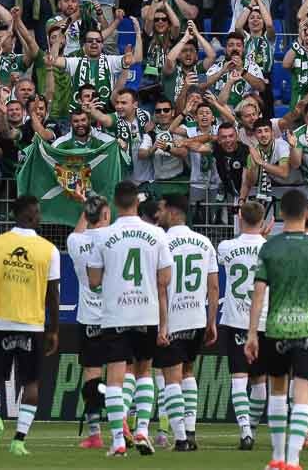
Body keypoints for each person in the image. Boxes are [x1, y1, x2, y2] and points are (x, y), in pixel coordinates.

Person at [246, 188, 308, 470]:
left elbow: (259, 293)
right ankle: (293, 460)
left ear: (279, 214)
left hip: (275, 329)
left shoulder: (270, 246)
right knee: (302, 394)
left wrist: (252, 333)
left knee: (277, 391)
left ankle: (276, 459)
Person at [86, 180, 173, 457]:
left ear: (114, 202)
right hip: (146, 312)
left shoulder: (101, 236)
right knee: (144, 372)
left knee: (115, 377)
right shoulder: (157, 234)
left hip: (115, 314)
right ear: (137, 201)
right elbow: (165, 280)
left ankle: (118, 441)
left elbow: (94, 280)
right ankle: (143, 430)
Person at [0, 194, 61, 457]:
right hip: (32, 325)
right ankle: (19, 440)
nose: (41, 217)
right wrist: (54, 329)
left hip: (0, 321)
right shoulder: (49, 250)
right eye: (38, 212)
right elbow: (53, 294)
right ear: (30, 215)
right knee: (31, 383)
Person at [154, 194, 217, 451]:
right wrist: (211, 322)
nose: (160, 215)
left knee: (172, 378)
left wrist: (161, 325)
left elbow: (160, 285)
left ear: (172, 212)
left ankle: (180, 438)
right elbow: (214, 287)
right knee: (189, 373)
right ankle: (190, 432)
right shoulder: (204, 243)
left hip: (172, 319)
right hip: (196, 317)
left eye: (162, 210)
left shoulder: (162, 242)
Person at [216, 199, 269, 451]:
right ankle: (253, 429)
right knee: (260, 381)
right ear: (263, 221)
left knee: (239, 377)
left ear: (239, 218)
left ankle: (245, 430)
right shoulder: (270, 248)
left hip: (236, 320)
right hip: (263, 320)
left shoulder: (226, 246)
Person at [67, 195, 110, 450]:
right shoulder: (114, 240)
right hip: (116, 316)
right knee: (121, 375)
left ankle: (95, 434)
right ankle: (123, 426)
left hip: (88, 317)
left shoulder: (75, 242)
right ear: (106, 216)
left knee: (92, 375)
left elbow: (78, 231)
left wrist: (86, 205)